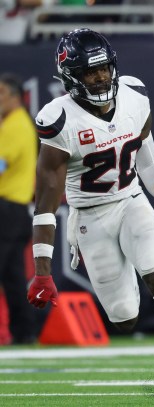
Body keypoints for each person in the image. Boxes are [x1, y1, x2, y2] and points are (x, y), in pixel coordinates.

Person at [26, 28, 154, 402]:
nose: (99, 77)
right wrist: (42, 271)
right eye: (89, 72)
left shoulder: (134, 94)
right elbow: (46, 203)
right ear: (70, 78)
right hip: (89, 215)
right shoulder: (59, 120)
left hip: (131, 201)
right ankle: (126, 264)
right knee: (124, 317)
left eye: (103, 69)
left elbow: (149, 161)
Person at [0, 73, 38, 345]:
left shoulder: (15, 125)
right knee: (12, 276)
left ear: (14, 97)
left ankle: (24, 331)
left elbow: (1, 165)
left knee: (11, 275)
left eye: (1, 92)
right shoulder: (17, 123)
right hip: (15, 210)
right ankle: (24, 332)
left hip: (7, 209)